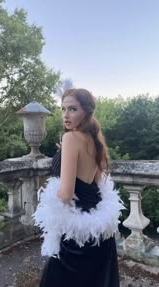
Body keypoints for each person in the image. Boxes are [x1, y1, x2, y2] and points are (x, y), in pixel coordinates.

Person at [33, 88, 124, 287]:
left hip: (77, 231)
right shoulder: (95, 138)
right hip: (99, 231)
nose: (65, 114)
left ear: (86, 111)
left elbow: (66, 195)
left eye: (72, 109)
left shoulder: (70, 138)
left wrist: (48, 201)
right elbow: (97, 180)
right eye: (63, 109)